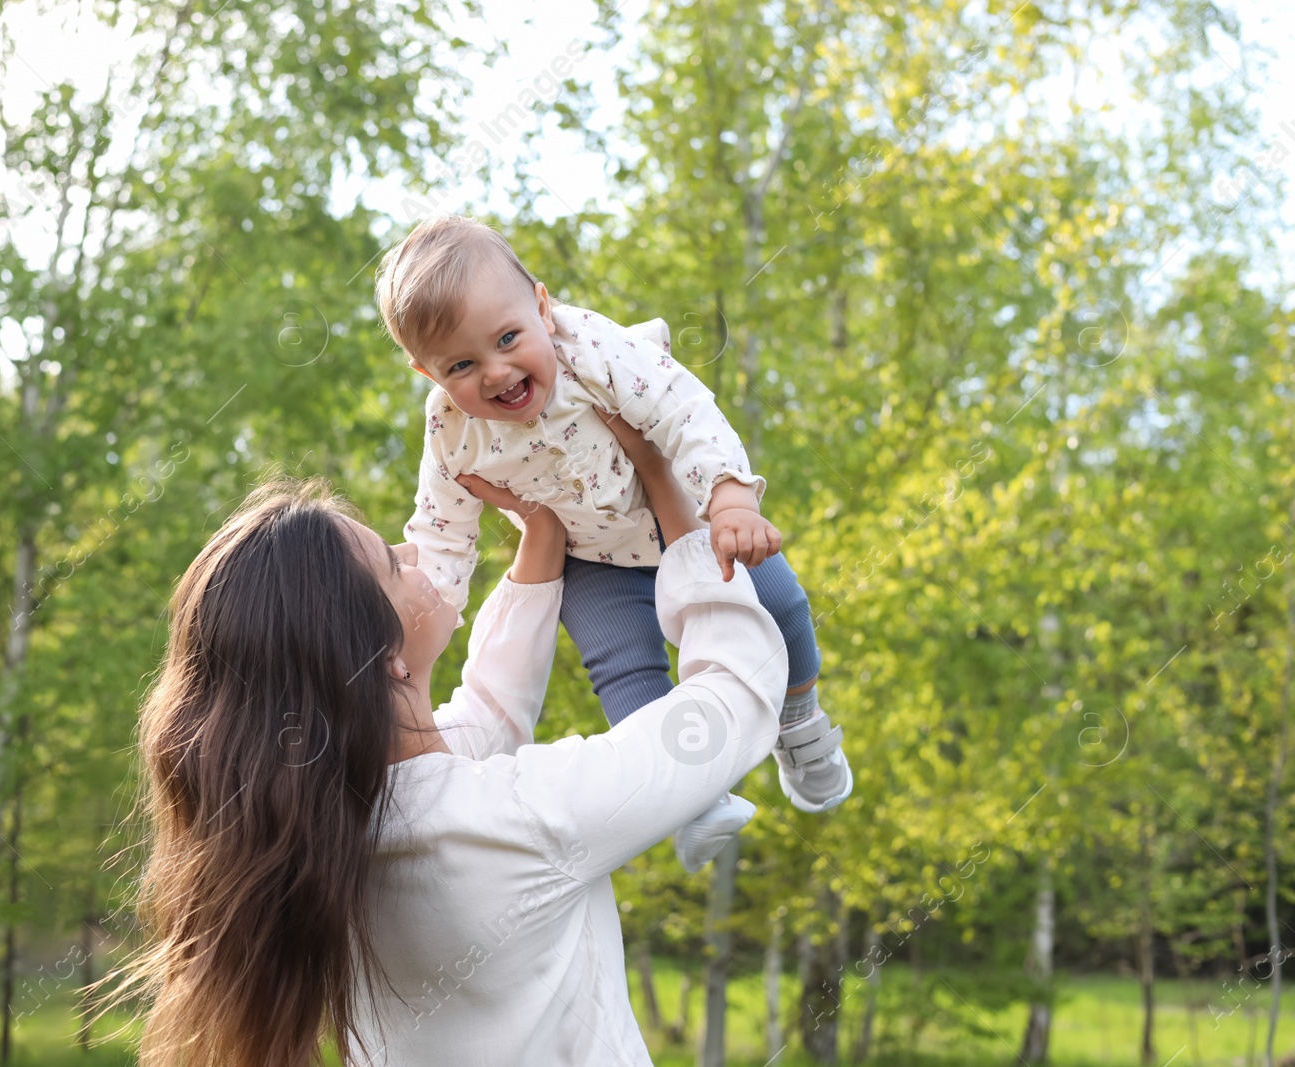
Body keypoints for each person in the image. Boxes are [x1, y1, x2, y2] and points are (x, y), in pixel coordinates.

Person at [116, 416, 788, 1066]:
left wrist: (543, 536)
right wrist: (680, 512)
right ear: (383, 656)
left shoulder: (332, 830)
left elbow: (486, 717)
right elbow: (734, 694)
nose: (413, 553)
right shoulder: (516, 820)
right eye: (391, 562)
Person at [378, 214, 853, 870]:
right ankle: (687, 797)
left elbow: (681, 409)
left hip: (684, 509)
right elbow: (442, 534)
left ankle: (798, 719)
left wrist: (730, 497)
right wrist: (414, 621)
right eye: (461, 364)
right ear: (428, 374)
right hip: (590, 557)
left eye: (509, 337)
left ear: (542, 306)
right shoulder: (451, 432)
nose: (495, 372)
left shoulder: (593, 348)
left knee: (782, 604)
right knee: (622, 668)